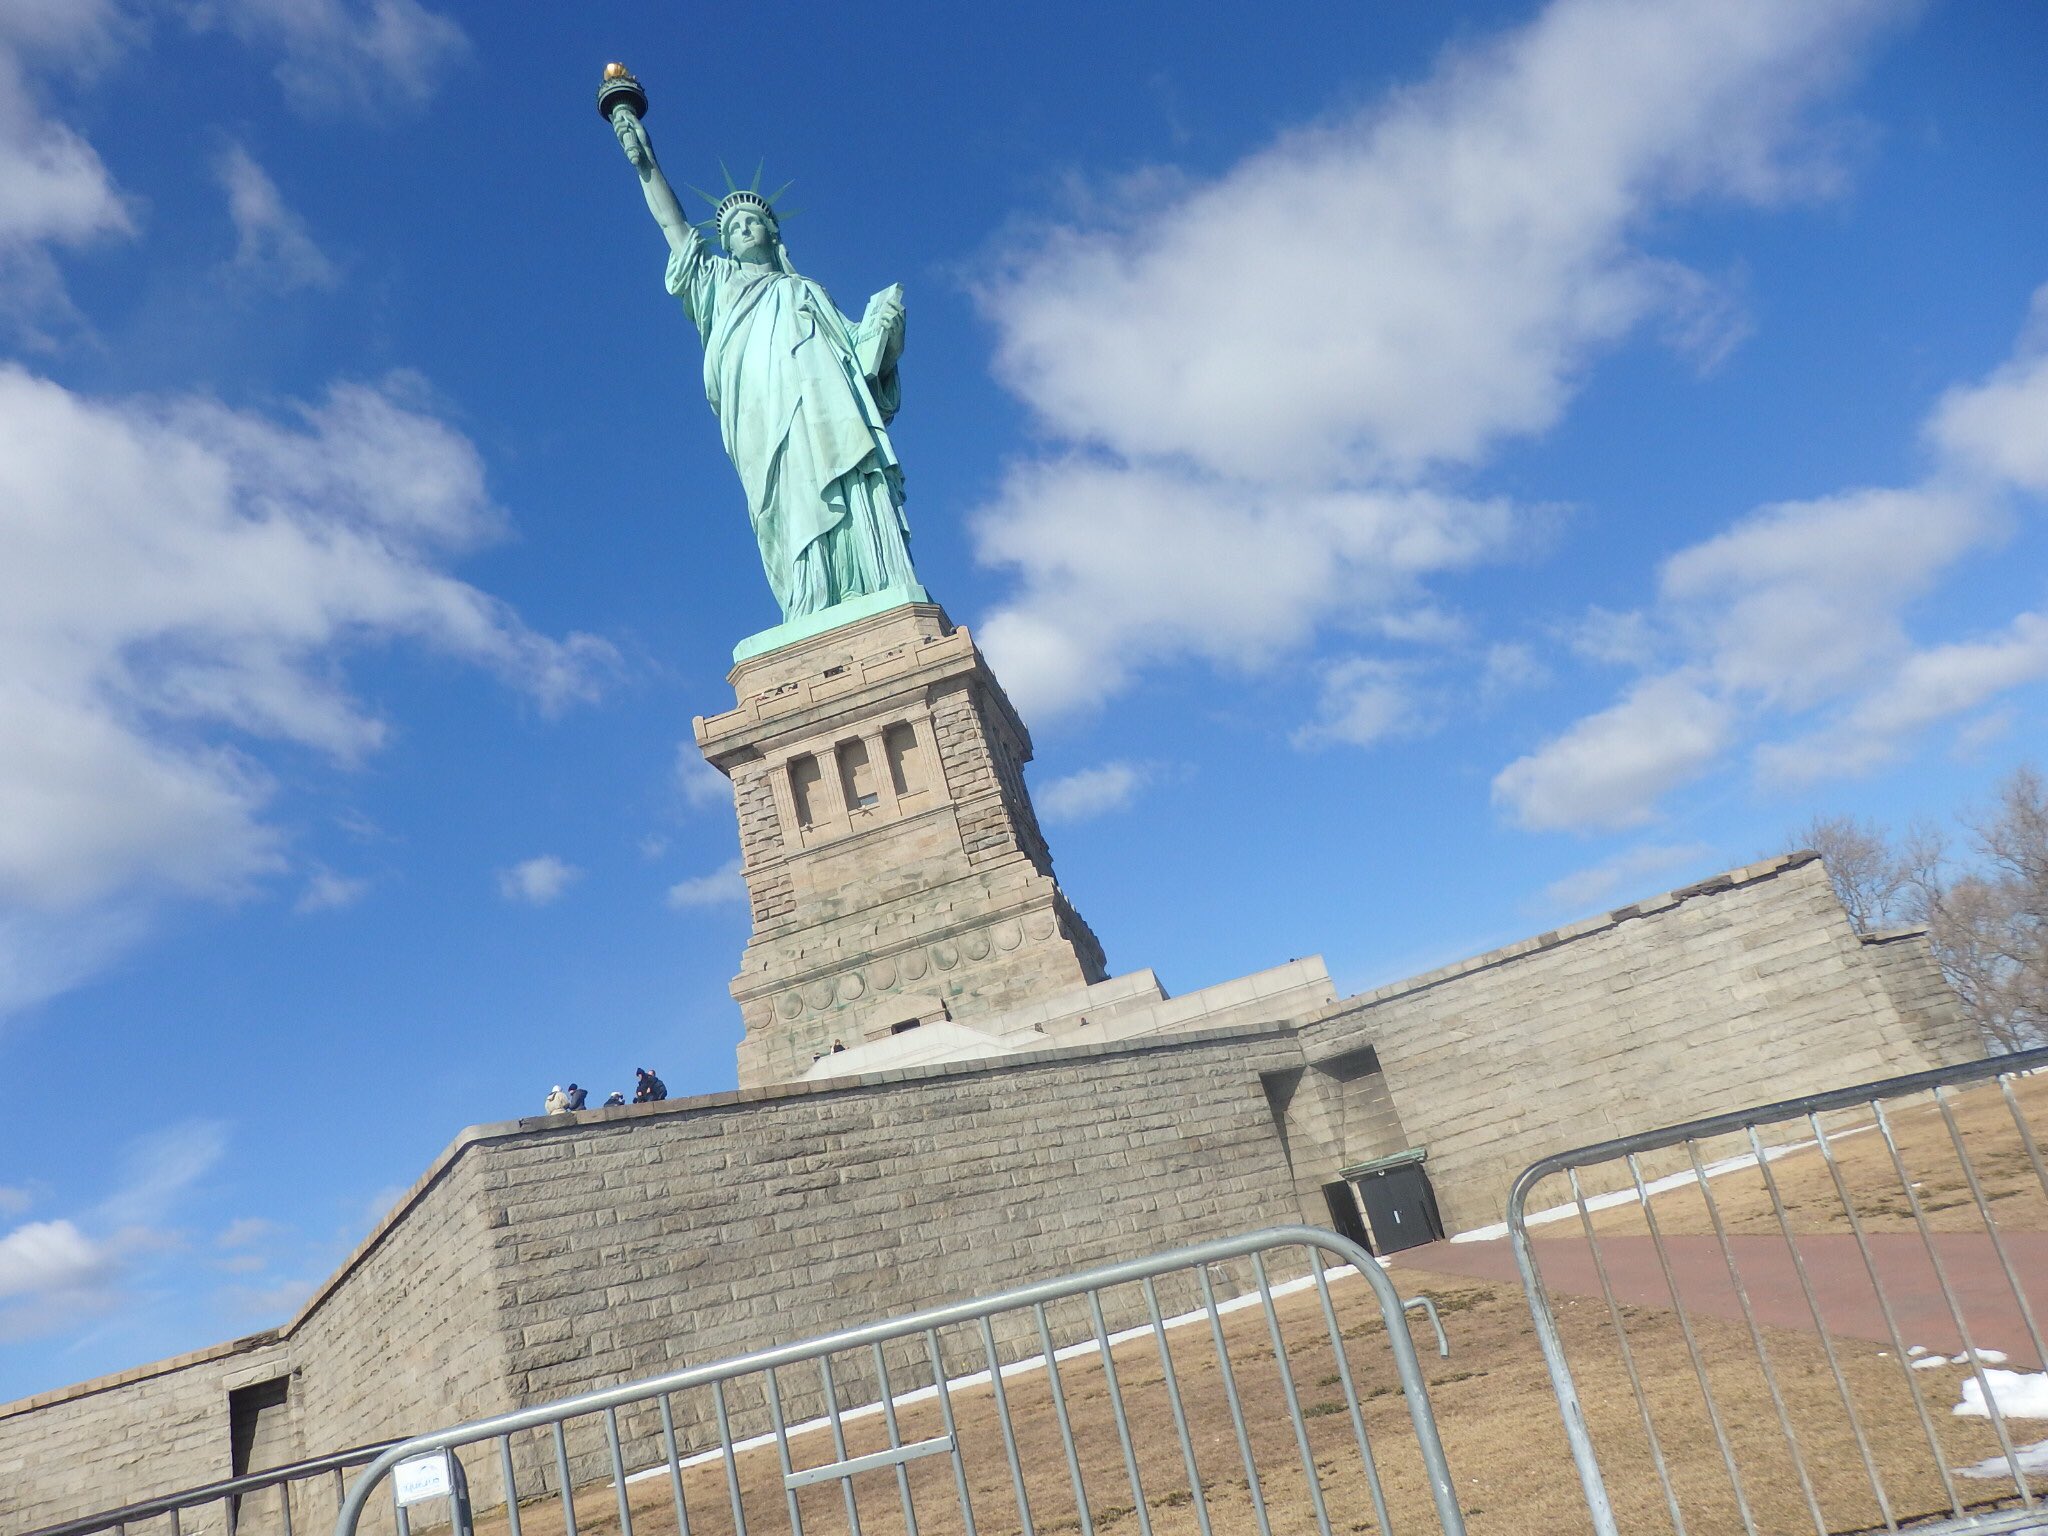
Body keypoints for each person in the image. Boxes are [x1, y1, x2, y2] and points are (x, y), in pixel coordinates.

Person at [610, 101, 918, 620]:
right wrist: (645, 166)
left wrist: (884, 329)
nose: (741, 230)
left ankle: (870, 579)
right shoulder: (718, 284)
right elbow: (673, 226)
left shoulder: (806, 291)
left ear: (773, 233)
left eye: (751, 221)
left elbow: (861, 365)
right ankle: (810, 596)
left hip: (825, 408)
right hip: (760, 410)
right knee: (785, 496)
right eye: (731, 229)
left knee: (845, 469)